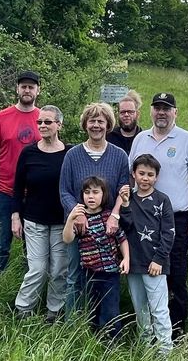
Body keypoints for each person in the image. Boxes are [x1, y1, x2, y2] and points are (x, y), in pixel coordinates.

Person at [128, 92, 188, 340]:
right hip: (142, 219)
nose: (161, 112)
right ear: (151, 111)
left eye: (167, 108)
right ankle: (148, 331)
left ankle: (175, 332)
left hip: (176, 219)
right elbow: (131, 176)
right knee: (144, 273)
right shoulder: (141, 138)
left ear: (175, 112)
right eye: (157, 108)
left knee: (176, 275)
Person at [59, 102, 131, 317]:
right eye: (92, 121)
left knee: (105, 277)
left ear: (108, 125)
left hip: (107, 228)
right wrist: (78, 214)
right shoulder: (72, 155)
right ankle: (73, 323)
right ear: (85, 124)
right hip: (78, 227)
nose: (96, 125)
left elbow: (123, 190)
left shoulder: (119, 155)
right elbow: (64, 190)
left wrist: (115, 215)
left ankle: (102, 323)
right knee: (75, 276)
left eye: (101, 121)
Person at [11, 105, 72, 322]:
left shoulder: (69, 153)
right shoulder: (29, 153)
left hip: (61, 222)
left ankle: (54, 312)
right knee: (37, 268)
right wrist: (15, 216)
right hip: (34, 221)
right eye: (40, 122)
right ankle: (23, 309)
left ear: (59, 125)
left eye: (48, 122)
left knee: (59, 270)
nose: (43, 125)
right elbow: (18, 188)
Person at [0, 71, 42, 276]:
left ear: (38, 90)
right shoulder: (2, 117)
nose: (27, 90)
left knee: (33, 247)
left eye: (31, 87)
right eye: (23, 86)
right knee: (1, 244)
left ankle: (30, 286)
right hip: (5, 191)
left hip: (35, 193)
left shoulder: (44, 118)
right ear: (17, 89)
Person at [118, 154, 175, 355]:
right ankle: (145, 346)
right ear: (133, 174)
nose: (145, 178)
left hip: (155, 265)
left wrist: (159, 259)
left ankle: (165, 350)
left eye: (150, 175)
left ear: (156, 177)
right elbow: (125, 228)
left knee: (159, 309)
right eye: (141, 173)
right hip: (134, 262)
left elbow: (169, 233)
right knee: (140, 308)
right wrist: (125, 205)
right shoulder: (128, 200)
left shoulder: (162, 200)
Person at [62, 176, 129, 339]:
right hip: (89, 273)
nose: (91, 196)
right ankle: (95, 338)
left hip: (110, 273)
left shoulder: (109, 217)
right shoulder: (80, 220)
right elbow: (67, 239)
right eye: (87, 192)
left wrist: (126, 258)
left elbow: (122, 239)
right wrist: (70, 219)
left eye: (95, 192)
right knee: (92, 307)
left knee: (110, 309)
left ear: (103, 195)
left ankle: (113, 341)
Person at [106, 90, 143, 154]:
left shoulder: (143, 138)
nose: (126, 115)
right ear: (117, 114)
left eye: (130, 112)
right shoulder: (108, 138)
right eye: (122, 112)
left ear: (137, 114)